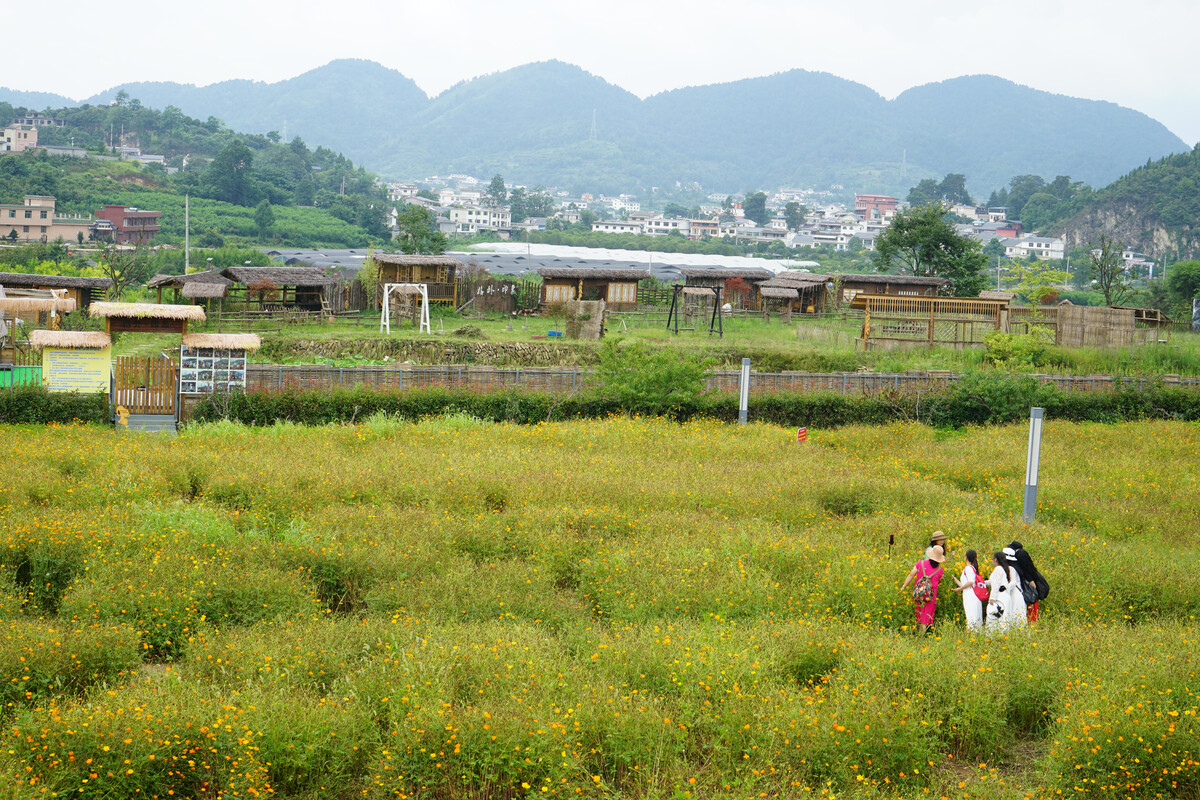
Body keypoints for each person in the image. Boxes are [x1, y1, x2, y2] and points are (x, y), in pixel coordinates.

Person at [901, 544, 946, 636]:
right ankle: (921, 637)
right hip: (930, 597)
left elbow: (911, 575)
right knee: (925, 617)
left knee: (918, 613)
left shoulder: (921, 563)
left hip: (918, 594)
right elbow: (939, 581)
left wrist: (904, 586)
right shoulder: (939, 570)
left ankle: (915, 635)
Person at [986, 550, 1026, 634]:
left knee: (1011, 616)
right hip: (1007, 595)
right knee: (1005, 617)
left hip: (1012, 594)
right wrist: (982, 583)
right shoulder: (1002, 569)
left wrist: (1004, 588)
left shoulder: (1009, 569)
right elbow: (994, 582)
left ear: (996, 560)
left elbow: (1012, 582)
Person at [1007, 540, 1047, 623]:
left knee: (1030, 614)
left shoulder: (1028, 576)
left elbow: (1033, 588)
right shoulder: (1030, 573)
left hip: (1030, 596)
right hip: (1029, 594)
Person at [951, 549, 986, 632]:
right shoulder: (972, 568)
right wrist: (956, 581)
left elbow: (971, 582)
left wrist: (960, 589)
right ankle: (975, 635)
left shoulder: (968, 568)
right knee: (973, 616)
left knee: (972, 617)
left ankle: (973, 636)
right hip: (971, 595)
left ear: (966, 557)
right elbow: (967, 585)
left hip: (971, 596)